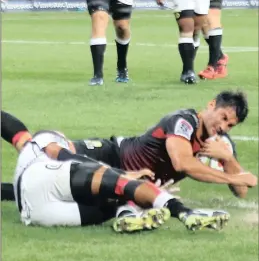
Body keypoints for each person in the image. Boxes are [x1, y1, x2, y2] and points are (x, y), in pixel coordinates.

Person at [2, 91, 257, 205]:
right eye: (223, 117)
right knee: (39, 150)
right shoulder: (184, 121)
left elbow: (241, 191)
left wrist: (229, 159)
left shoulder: (220, 144)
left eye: (230, 125)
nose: (224, 127)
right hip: (111, 154)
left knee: (49, 190)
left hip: (126, 184)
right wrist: (228, 175)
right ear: (211, 105)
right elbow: (183, 164)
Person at [9, 121, 230, 232]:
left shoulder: (27, 155)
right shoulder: (45, 139)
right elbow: (66, 155)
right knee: (119, 183)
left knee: (108, 203)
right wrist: (125, 174)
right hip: (40, 179)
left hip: (33, 214)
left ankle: (127, 215)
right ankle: (185, 213)